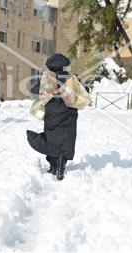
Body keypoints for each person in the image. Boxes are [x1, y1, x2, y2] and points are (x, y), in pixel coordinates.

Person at [26, 53, 81, 181]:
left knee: (52, 139)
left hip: (52, 114)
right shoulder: (71, 79)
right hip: (69, 114)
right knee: (66, 141)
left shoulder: (46, 78)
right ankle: (61, 168)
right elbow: (82, 93)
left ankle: (53, 166)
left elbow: (34, 91)